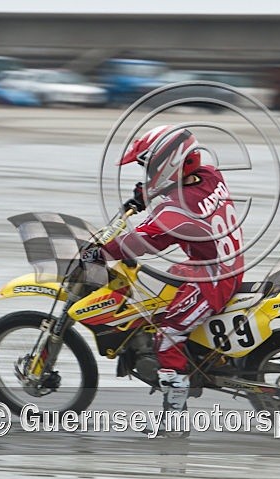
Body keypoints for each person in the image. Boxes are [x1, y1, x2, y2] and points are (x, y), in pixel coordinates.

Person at [89, 125, 244, 426]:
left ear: (169, 162)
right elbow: (184, 193)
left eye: (150, 167)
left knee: (168, 333)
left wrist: (101, 253)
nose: (148, 173)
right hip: (219, 263)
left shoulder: (177, 210)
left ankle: (174, 417)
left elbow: (145, 239)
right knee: (157, 291)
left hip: (213, 280)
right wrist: (146, 196)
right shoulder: (211, 175)